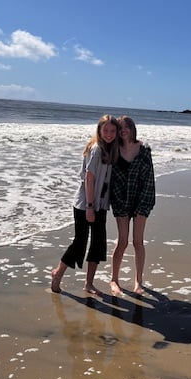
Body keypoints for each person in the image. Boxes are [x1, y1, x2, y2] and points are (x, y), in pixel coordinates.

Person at [51, 115, 119, 295]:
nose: (109, 134)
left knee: (97, 244)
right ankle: (58, 273)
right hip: (85, 204)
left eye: (113, 131)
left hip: (100, 204)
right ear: (99, 130)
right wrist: (90, 206)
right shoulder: (96, 149)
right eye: (106, 130)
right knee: (79, 243)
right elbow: (89, 179)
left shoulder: (110, 149)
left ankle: (89, 284)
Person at [109, 116, 156, 295]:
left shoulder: (144, 150)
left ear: (132, 128)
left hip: (140, 201)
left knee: (138, 241)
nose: (123, 130)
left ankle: (138, 281)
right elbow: (111, 179)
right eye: (120, 128)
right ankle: (114, 279)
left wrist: (143, 206)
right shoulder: (115, 150)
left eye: (126, 127)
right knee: (122, 241)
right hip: (121, 201)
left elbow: (149, 179)